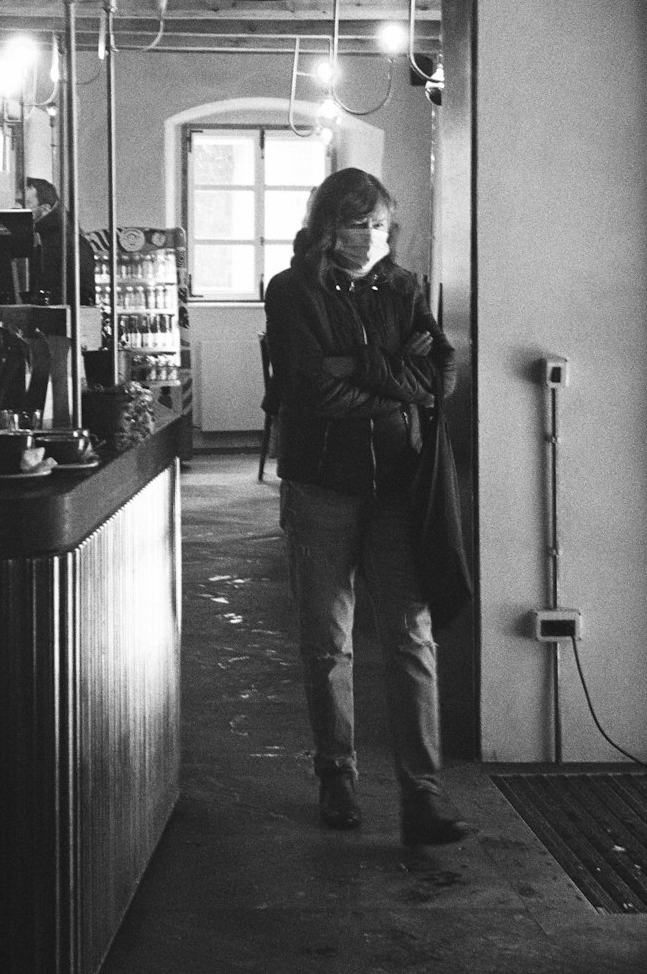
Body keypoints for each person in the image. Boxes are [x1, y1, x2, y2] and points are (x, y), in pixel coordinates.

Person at [263, 167, 470, 847]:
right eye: (358, 223)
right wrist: (397, 382)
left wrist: (359, 369)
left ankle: (424, 794)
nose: (371, 236)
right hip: (321, 487)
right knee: (329, 645)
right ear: (330, 227)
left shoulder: (403, 287)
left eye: (380, 223)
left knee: (412, 637)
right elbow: (311, 394)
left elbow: (440, 377)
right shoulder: (292, 291)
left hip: (398, 492)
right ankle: (337, 776)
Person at [25, 176, 96, 305]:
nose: (19, 208)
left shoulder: (68, 243)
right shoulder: (65, 239)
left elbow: (83, 296)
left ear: (45, 209)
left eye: (27, 203)